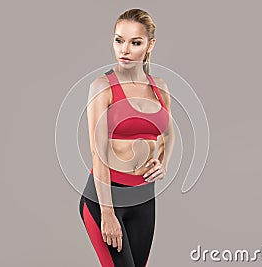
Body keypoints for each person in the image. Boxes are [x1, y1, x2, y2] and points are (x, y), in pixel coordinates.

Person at [79, 8, 175, 267]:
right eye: (119, 40)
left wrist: (162, 163)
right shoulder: (102, 87)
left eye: (136, 42)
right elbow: (97, 153)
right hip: (105, 199)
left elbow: (168, 132)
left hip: (144, 198)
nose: (125, 49)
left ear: (150, 45)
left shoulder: (160, 87)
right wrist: (107, 213)